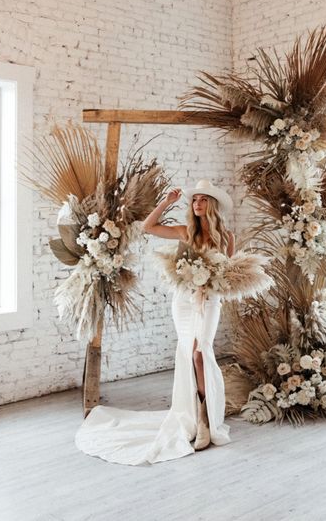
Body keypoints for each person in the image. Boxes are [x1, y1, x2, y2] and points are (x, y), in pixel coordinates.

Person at [75, 179, 234, 465]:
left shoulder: (227, 238)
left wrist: (208, 284)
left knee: (201, 352)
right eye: (194, 200)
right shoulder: (186, 232)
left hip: (209, 300)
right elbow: (147, 227)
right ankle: (197, 418)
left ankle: (208, 417)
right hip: (183, 300)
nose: (197, 204)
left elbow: (228, 278)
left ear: (212, 205)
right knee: (188, 353)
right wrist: (166, 203)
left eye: (202, 200)